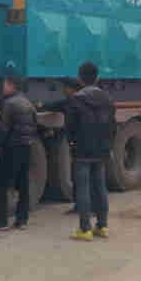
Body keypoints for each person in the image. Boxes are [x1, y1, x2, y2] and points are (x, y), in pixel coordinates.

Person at [66, 62, 116, 241]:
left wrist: (72, 142)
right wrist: (108, 145)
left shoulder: (76, 99)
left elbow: (70, 126)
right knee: (100, 187)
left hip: (82, 150)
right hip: (101, 150)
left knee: (83, 188)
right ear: (98, 78)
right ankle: (102, 226)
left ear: (79, 79)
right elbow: (112, 126)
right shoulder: (107, 99)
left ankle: (85, 229)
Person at [0, 75, 38, 231]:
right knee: (23, 183)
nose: (3, 87)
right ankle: (22, 220)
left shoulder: (8, 104)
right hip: (26, 146)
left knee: (0, 183)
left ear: (12, 86)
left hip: (11, 148)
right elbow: (34, 125)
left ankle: (0, 221)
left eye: (5, 84)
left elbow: (3, 130)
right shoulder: (28, 103)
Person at [40, 78, 82, 213]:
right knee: (78, 176)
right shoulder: (69, 102)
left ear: (73, 89)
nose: (64, 90)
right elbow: (54, 106)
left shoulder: (81, 103)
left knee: (85, 178)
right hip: (77, 145)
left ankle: (88, 209)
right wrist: (40, 105)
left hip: (84, 145)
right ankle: (79, 206)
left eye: (66, 87)